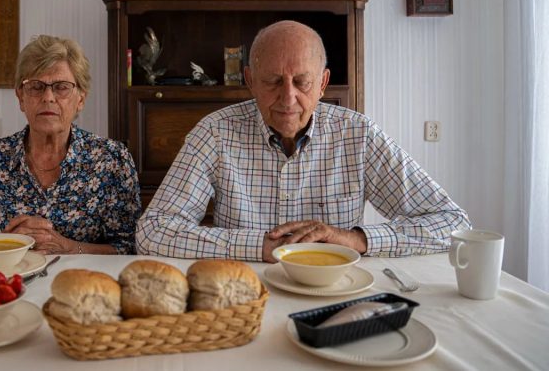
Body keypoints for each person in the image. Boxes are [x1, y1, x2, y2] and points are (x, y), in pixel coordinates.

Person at [136, 20, 470, 262]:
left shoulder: (359, 135)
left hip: (337, 290)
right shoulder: (214, 133)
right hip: (243, 293)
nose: (288, 98)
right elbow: (152, 232)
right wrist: (260, 247)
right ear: (250, 80)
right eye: (273, 81)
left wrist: (354, 239)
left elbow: (452, 223)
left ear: (323, 83)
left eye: (302, 82)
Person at [0, 35, 141, 255]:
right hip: (8, 276)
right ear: (21, 97)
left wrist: (69, 247)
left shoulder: (113, 159)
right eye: (36, 87)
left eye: (61, 87)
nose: (48, 97)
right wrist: (7, 242)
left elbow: (129, 248)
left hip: (80, 277)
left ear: (81, 99)